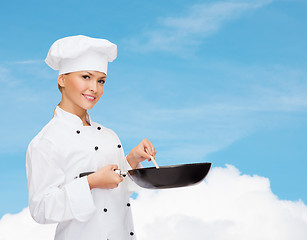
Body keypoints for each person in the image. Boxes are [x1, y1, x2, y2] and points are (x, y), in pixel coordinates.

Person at [26, 35, 156, 240]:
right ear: (62, 79)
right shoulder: (47, 141)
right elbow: (42, 209)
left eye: (101, 80)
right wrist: (90, 182)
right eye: (86, 77)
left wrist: (132, 159)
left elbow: (117, 190)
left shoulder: (109, 135)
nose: (94, 88)